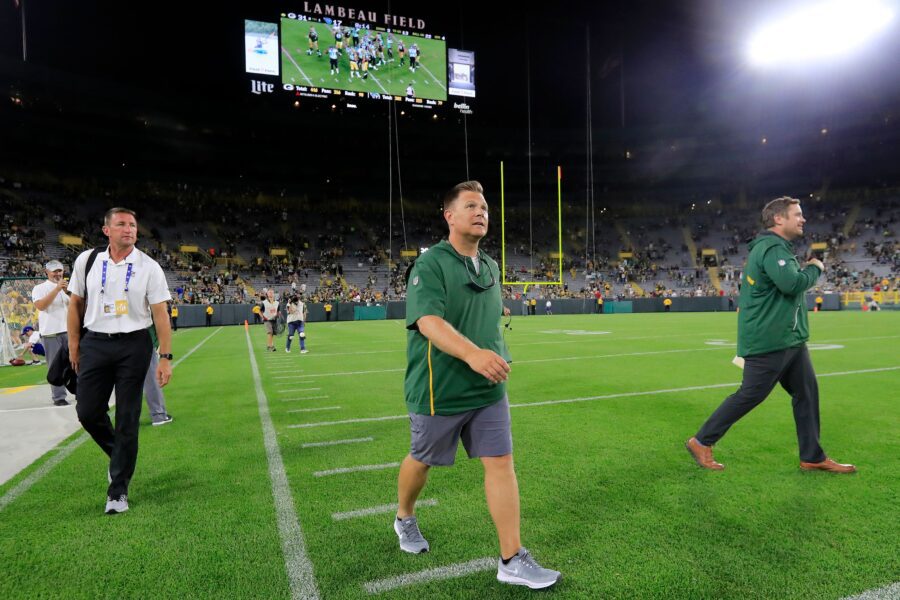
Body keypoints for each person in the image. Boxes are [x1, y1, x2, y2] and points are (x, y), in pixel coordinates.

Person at [393, 181, 561, 589]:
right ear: (449, 215)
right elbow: (429, 322)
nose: (481, 211)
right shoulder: (431, 263)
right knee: (422, 459)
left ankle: (511, 559)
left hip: (487, 390)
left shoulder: (489, 266)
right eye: (470, 205)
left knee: (502, 464)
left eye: (484, 206)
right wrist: (473, 355)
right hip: (440, 388)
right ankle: (404, 517)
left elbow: (484, 321)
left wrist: (498, 353)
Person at [686, 197, 855, 473]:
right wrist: (815, 268)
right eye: (797, 214)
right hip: (770, 339)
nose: (803, 219)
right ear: (779, 219)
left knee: (807, 393)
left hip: (790, 339)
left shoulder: (777, 248)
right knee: (751, 394)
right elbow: (790, 284)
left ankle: (812, 456)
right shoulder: (771, 247)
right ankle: (701, 440)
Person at [67, 207, 173, 515]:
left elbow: (160, 314)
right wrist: (74, 343)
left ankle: (118, 491)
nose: (129, 229)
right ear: (107, 230)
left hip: (134, 345)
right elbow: (75, 303)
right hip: (95, 342)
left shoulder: (149, 267)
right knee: (87, 412)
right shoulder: (86, 260)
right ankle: (120, 457)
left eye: (133, 225)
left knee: (128, 417)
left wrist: (165, 358)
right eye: (122, 224)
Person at [32, 260, 71, 405]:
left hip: (68, 331)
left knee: (76, 364)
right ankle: (59, 397)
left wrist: (67, 292)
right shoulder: (39, 288)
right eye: (54, 271)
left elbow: (74, 306)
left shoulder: (66, 288)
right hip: (51, 333)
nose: (58, 273)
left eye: (60, 270)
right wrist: (57, 290)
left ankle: (79, 391)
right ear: (46, 272)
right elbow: (41, 306)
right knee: (55, 367)